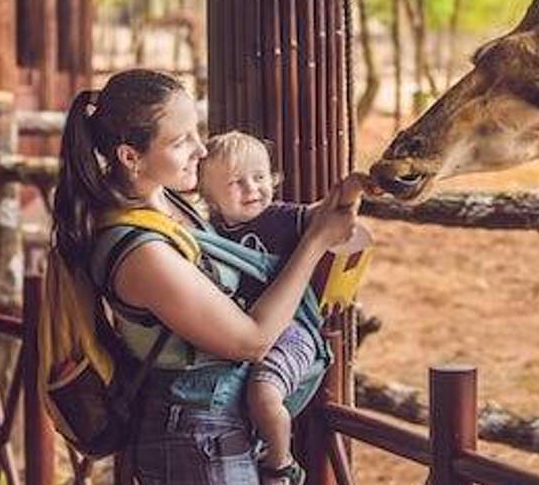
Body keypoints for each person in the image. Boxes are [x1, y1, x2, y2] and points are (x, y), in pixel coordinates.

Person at [51, 69, 362, 484]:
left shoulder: (167, 199)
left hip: (221, 424)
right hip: (196, 439)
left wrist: (320, 213)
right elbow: (250, 341)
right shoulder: (141, 252)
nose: (201, 150)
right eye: (180, 142)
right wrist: (315, 242)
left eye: (196, 131)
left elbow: (246, 228)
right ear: (130, 157)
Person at [198, 132, 337, 485]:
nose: (252, 189)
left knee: (263, 394)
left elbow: (323, 213)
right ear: (208, 196)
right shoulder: (209, 234)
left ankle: (281, 464)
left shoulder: (278, 217)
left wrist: (350, 188)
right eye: (236, 182)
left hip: (290, 330)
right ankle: (260, 450)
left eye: (260, 177)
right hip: (246, 333)